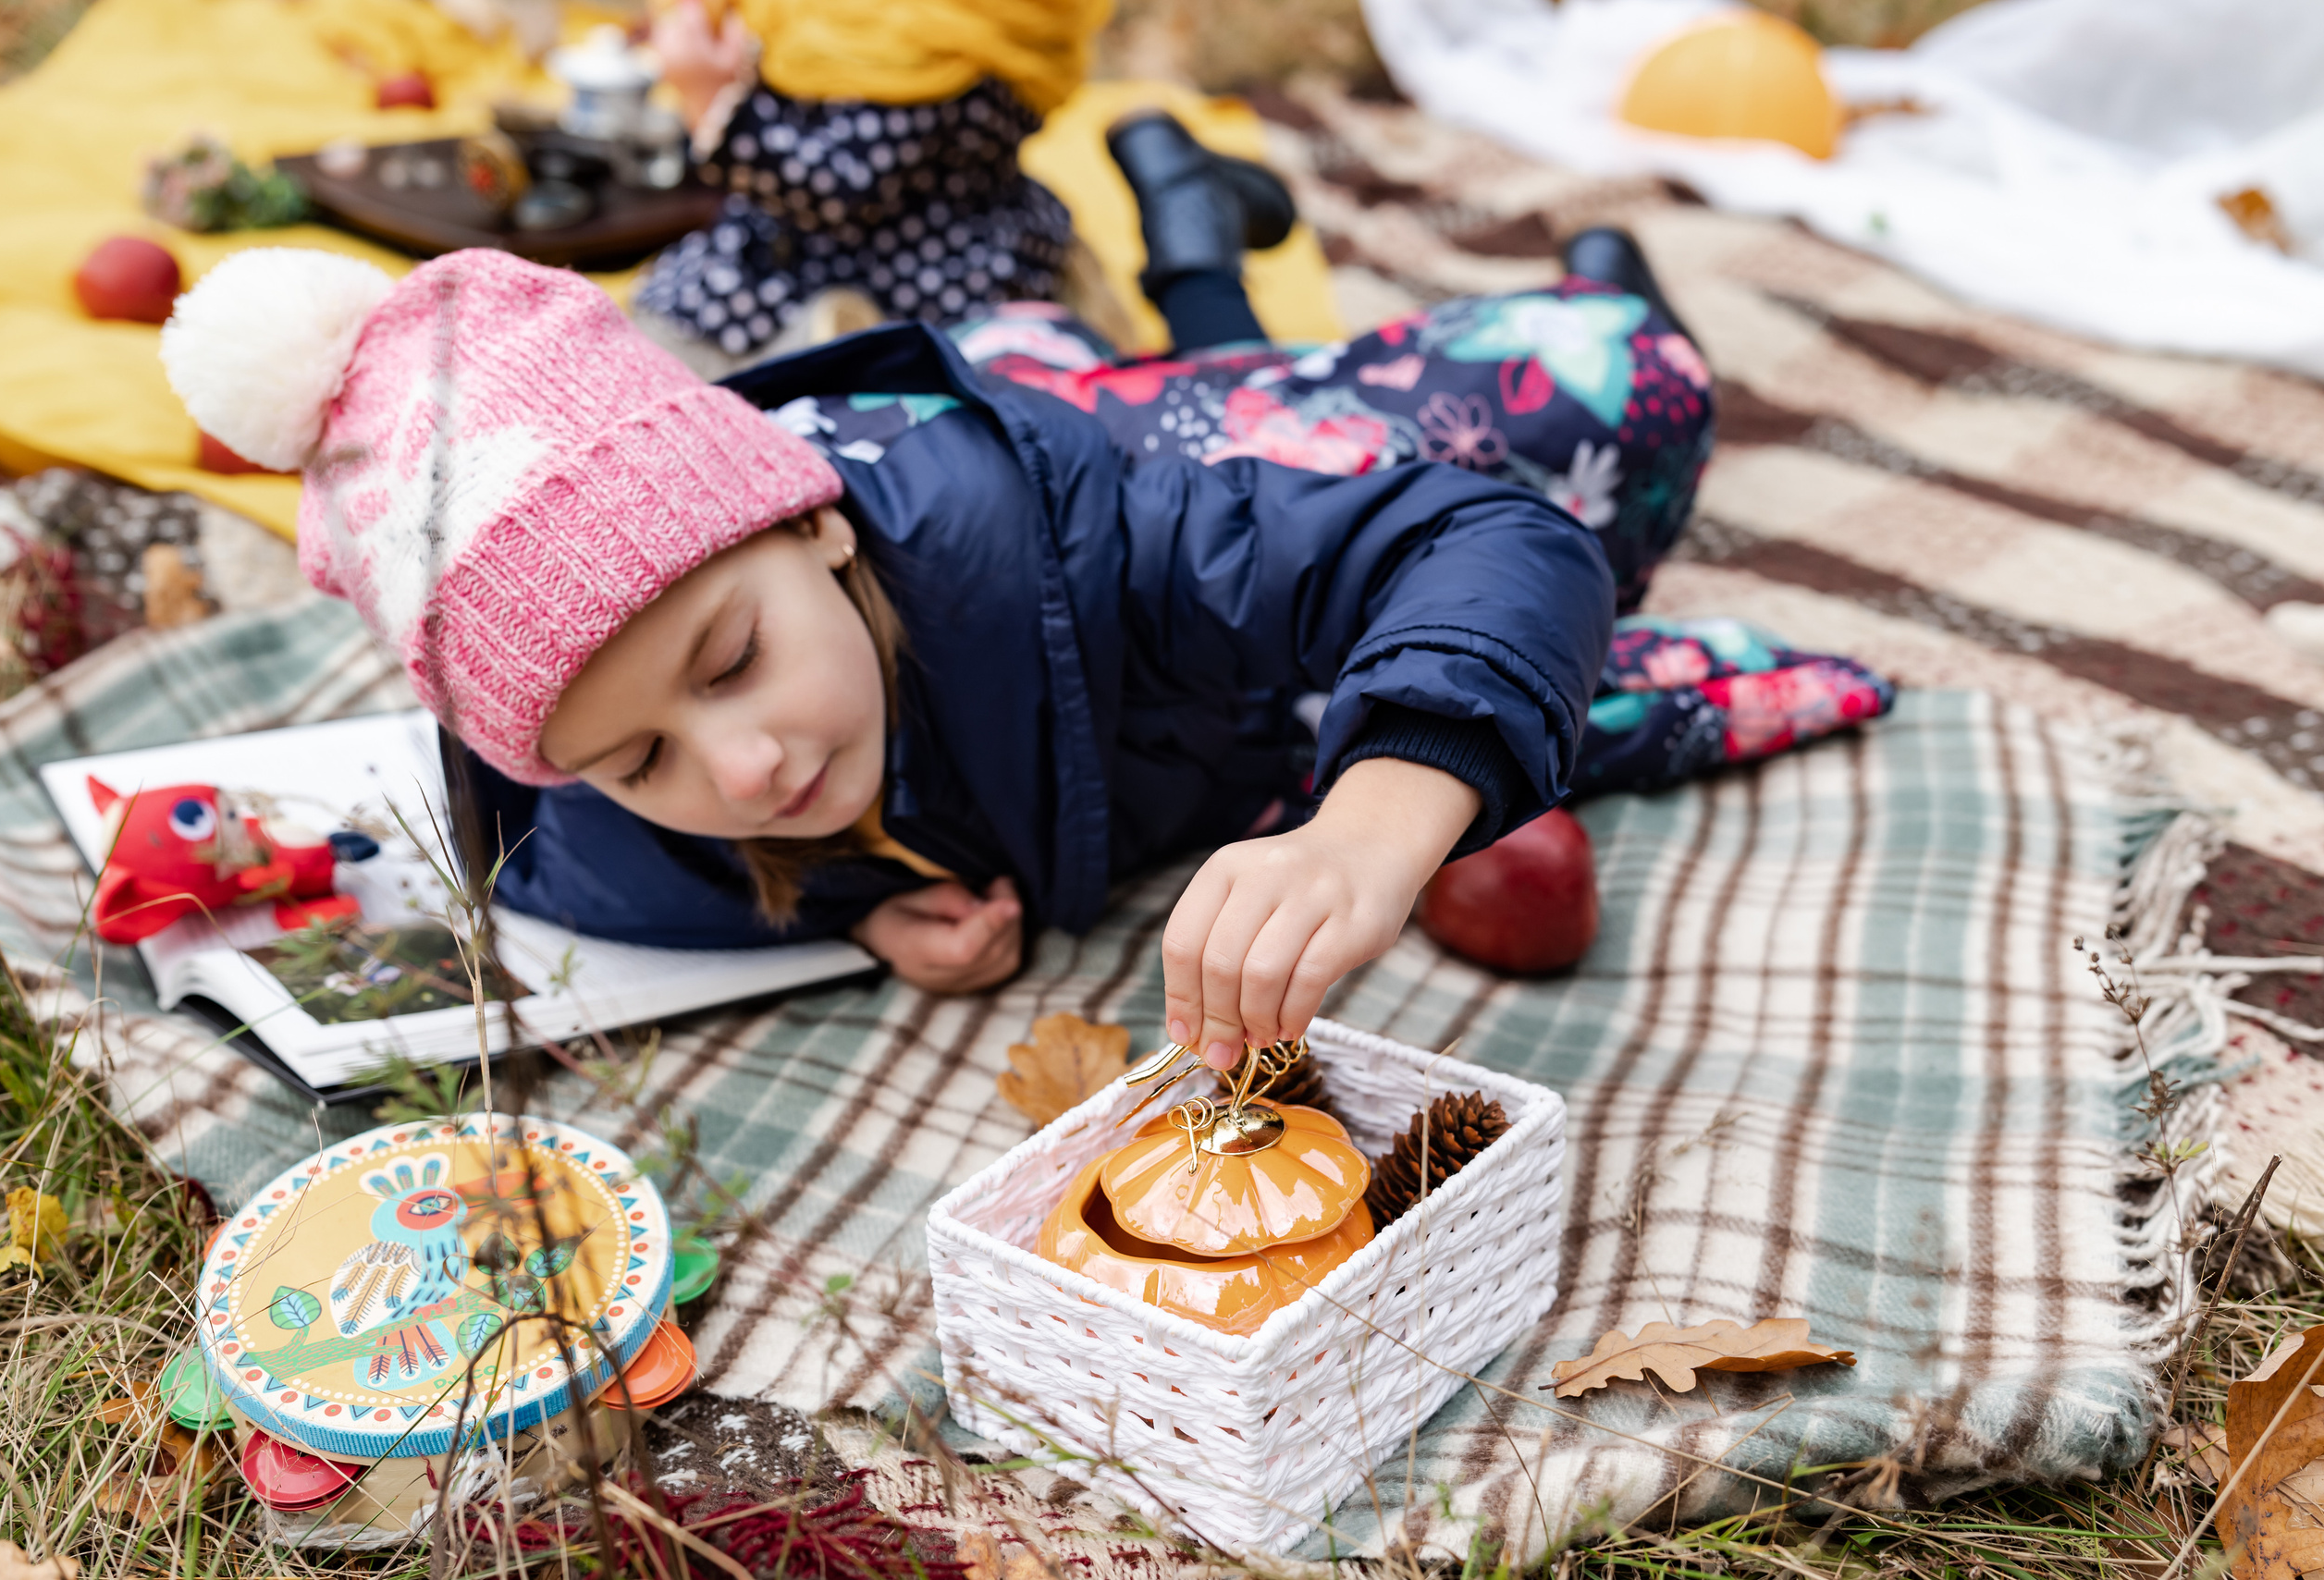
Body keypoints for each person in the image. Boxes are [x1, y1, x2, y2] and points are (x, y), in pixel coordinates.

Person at [159, 134, 1879, 1072]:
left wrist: (1373, 823)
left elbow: (1489, 547)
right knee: (1121, 371)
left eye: (733, 659)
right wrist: (852, 909)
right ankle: (1192, 238)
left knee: (1609, 398)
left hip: (1144, 471)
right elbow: (573, 847)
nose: (741, 768)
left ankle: (1589, 280)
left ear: (815, 524)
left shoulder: (1104, 539)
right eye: (636, 754)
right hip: (1055, 411)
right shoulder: (602, 811)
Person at [630, 0, 1111, 374]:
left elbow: (840, 185)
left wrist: (710, 101)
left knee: (671, 356)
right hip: (960, 234)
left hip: (887, 274)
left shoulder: (915, 41)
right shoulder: (977, 26)